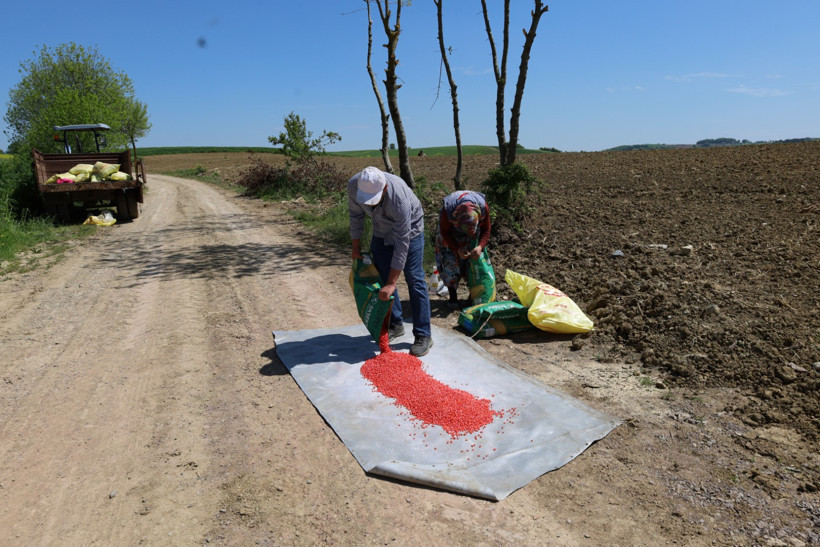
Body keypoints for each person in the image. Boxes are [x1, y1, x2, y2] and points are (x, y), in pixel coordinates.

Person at [348, 166, 433, 357]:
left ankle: (423, 334)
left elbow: (402, 242)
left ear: (384, 188)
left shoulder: (398, 198)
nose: (370, 205)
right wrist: (355, 248)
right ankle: (395, 324)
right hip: (381, 229)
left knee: (414, 278)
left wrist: (393, 283)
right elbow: (356, 216)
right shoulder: (354, 186)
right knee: (381, 275)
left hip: (410, 230)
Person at [435, 190, 492, 309]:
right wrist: (456, 248)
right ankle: (453, 297)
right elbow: (444, 232)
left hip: (473, 236)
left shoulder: (483, 208)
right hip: (451, 234)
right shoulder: (448, 211)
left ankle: (473, 296)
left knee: (473, 263)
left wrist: (480, 246)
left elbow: (486, 229)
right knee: (449, 261)